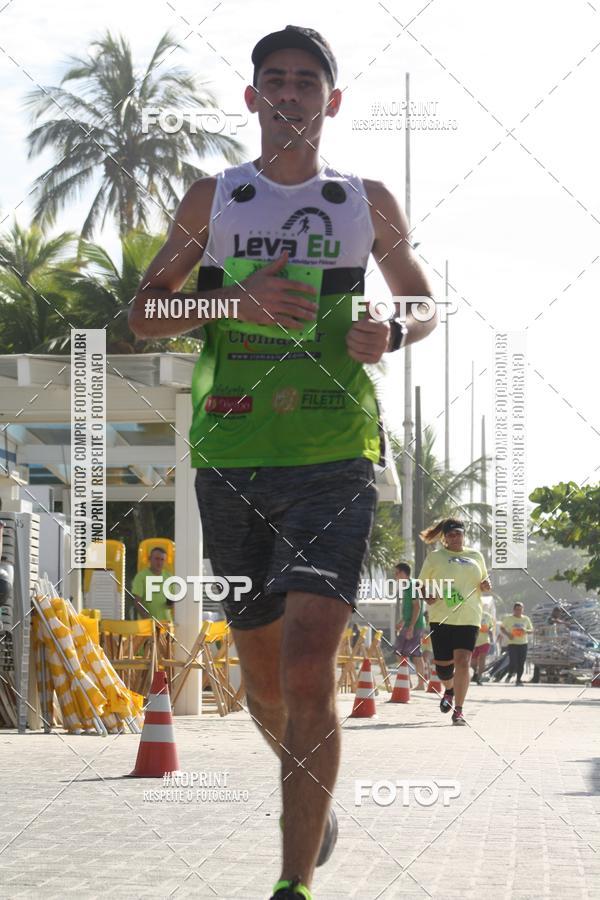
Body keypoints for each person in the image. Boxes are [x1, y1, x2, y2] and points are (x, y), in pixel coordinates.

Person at [129, 25, 437, 900]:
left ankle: (292, 880)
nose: (292, 95)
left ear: (331, 102)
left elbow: (418, 298)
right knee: (264, 683)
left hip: (334, 454)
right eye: (277, 81)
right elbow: (144, 314)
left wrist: (395, 332)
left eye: (309, 83)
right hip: (229, 456)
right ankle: (314, 799)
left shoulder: (362, 199)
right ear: (253, 97)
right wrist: (236, 296)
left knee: (309, 668)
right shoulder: (214, 199)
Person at [418, 518, 491, 725]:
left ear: (463, 535)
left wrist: (486, 585)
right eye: (451, 535)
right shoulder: (435, 557)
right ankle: (449, 689)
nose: (455, 538)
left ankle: (458, 710)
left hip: (469, 617)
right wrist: (426, 596)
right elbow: (421, 583)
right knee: (442, 668)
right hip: (441, 617)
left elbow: (484, 582)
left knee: (463, 662)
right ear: (444, 538)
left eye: (458, 533)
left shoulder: (476, 556)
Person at [393, 562, 426, 690]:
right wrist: (402, 621)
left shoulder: (412, 586)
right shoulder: (406, 587)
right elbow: (408, 609)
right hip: (409, 624)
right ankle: (408, 681)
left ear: (403, 573)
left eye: (396, 573)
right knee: (401, 652)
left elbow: (417, 607)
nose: (395, 576)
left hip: (415, 625)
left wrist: (411, 626)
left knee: (415, 654)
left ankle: (420, 684)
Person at [131, 547, 174, 623]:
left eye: (162, 559)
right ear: (150, 559)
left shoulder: (169, 576)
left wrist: (172, 603)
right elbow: (137, 602)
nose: (159, 562)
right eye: (157, 559)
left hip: (166, 623)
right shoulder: (141, 576)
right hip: (147, 625)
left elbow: (173, 601)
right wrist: (148, 620)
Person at [500, 602, 533, 685]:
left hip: (523, 643)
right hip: (512, 643)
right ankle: (511, 673)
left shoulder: (526, 619)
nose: (518, 611)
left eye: (520, 609)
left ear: (523, 610)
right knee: (513, 661)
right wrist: (508, 634)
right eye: (517, 609)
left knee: (521, 662)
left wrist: (526, 631)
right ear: (514, 610)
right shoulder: (509, 619)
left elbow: (531, 630)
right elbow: (502, 628)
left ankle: (518, 680)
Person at [471, 608, 495, 684]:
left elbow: (491, 626)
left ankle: (479, 677)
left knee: (482, 659)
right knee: (473, 661)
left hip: (485, 641)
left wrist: (490, 630)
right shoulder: (473, 614)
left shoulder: (487, 616)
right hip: (474, 641)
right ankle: (475, 673)